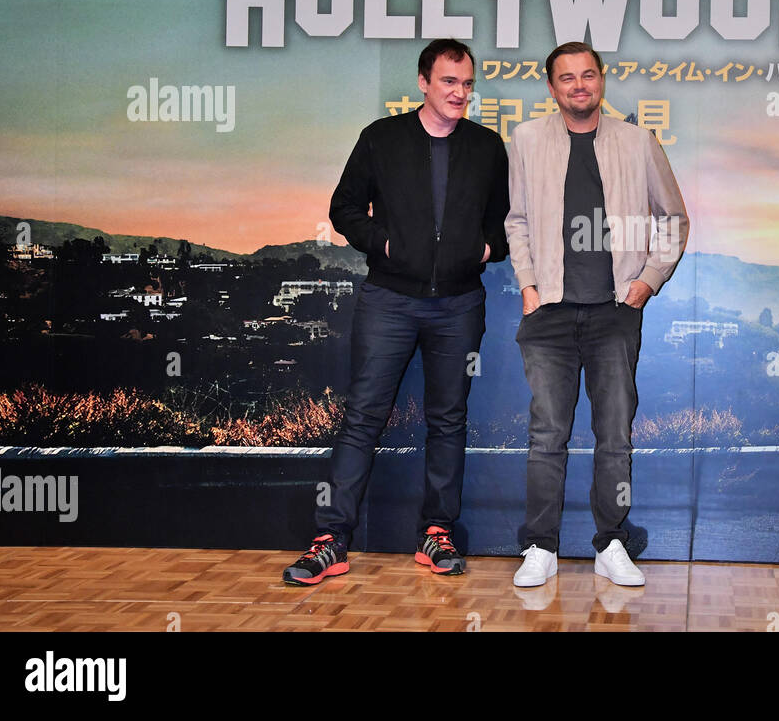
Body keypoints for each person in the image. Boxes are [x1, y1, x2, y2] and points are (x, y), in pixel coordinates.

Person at [283, 39, 509, 584]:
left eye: (467, 84)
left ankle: (436, 534)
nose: (460, 93)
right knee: (363, 416)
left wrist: (481, 250)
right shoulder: (380, 138)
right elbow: (343, 209)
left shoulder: (487, 146)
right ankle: (331, 540)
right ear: (424, 83)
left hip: (459, 304)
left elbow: (503, 222)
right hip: (389, 300)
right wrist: (384, 246)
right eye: (449, 82)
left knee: (448, 420)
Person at [505, 41, 688, 588]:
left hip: (614, 313)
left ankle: (611, 542)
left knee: (615, 434)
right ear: (551, 86)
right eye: (567, 78)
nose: (579, 85)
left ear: (601, 80)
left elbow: (673, 218)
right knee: (547, 435)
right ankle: (540, 546)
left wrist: (646, 283)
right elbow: (516, 220)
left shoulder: (638, 142)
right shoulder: (526, 140)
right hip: (550, 313)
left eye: (588, 75)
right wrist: (529, 286)